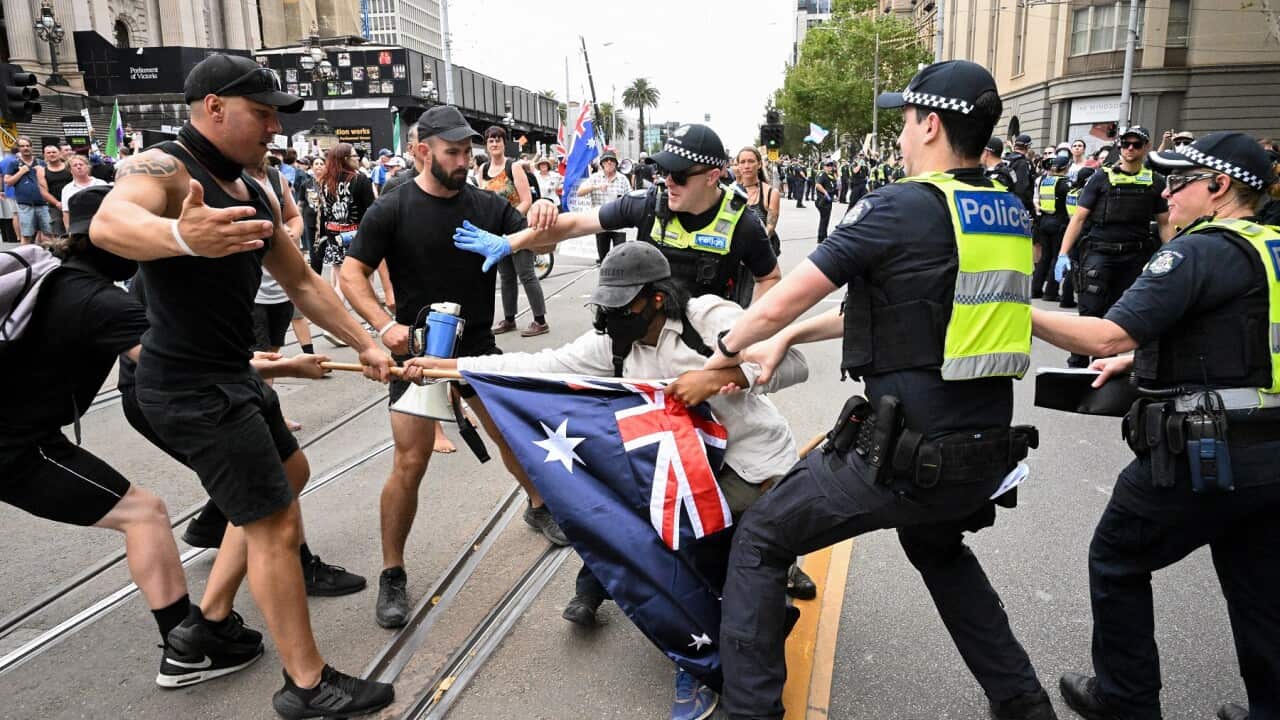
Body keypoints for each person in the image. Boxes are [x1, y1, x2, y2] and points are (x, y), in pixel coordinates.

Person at [700, 60, 1055, 720]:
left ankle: (749, 712)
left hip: (904, 456)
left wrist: (725, 352)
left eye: (905, 120)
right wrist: (791, 336)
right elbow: (913, 310)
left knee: (762, 539)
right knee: (938, 548)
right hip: (982, 453)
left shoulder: (898, 206)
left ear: (931, 124)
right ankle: (1024, 704)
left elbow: (786, 296)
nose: (900, 134)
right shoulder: (1004, 212)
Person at [89, 53, 396, 719]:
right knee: (274, 526)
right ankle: (307, 685)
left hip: (233, 376)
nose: (273, 129)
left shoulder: (251, 189)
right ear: (214, 107)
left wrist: (368, 342)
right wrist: (180, 235)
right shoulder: (166, 167)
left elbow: (304, 283)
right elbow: (109, 224)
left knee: (291, 472)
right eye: (261, 114)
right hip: (191, 388)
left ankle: (207, 623)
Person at [401, 242, 814, 720]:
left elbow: (793, 363)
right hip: (681, 467)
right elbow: (539, 366)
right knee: (650, 540)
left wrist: (725, 375)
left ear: (656, 298)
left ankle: (735, 634)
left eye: (622, 307)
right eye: (606, 307)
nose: (610, 318)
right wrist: (449, 368)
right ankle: (698, 642)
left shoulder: (707, 320)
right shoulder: (613, 342)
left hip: (748, 463)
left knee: (717, 557)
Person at [1030, 131, 1280, 720]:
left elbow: (1104, 334)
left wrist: (1014, 310)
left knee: (1117, 557)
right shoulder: (1270, 245)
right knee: (1259, 587)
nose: (1166, 193)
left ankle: (1125, 699)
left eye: (1179, 181)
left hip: (1207, 452)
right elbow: (1241, 332)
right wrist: (1139, 357)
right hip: (1271, 455)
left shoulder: (1197, 251)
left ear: (1218, 186)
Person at [337, 105, 570, 631]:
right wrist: (383, 325)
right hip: (416, 352)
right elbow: (351, 275)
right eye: (453, 152)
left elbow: (543, 243)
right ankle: (392, 572)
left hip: (478, 347)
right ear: (423, 151)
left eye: (468, 152)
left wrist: (544, 210)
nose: (464, 161)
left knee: (510, 434)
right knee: (410, 459)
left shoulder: (487, 205)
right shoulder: (392, 208)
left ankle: (538, 505)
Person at [0, 188, 230, 689]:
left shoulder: (47, 272)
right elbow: (181, 364)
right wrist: (277, 369)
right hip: (16, 447)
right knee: (143, 513)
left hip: (21, 433)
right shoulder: (103, 302)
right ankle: (186, 652)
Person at [457, 123, 781, 311]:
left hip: (706, 351)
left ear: (712, 176)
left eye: (680, 175)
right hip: (646, 340)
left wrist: (743, 331)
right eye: (664, 170)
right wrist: (509, 242)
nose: (668, 182)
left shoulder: (742, 223)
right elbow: (573, 224)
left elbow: (769, 278)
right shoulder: (647, 204)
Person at [1054, 126, 1172, 367]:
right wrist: (1063, 253)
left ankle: (1104, 367)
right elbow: (1078, 218)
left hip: (1135, 256)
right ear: (1120, 146)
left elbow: (1164, 223)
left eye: (1136, 144)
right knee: (1089, 313)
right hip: (1099, 253)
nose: (1130, 148)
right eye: (1126, 144)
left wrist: (1169, 256)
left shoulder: (1154, 181)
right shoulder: (1101, 177)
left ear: (1146, 147)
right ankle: (1077, 366)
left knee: (1119, 316)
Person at [481, 125, 549, 337]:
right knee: (506, 276)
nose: (494, 144)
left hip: (518, 228)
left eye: (498, 140)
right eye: (491, 140)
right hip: (497, 232)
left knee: (526, 274)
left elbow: (526, 200)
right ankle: (509, 319)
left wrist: (507, 219)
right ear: (486, 145)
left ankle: (540, 320)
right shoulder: (483, 170)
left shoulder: (514, 167)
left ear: (504, 143)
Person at [578, 149, 633, 264]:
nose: (609, 162)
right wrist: (596, 187)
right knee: (603, 259)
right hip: (601, 223)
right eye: (606, 160)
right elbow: (580, 192)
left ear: (616, 164)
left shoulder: (623, 179)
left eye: (612, 160)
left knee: (620, 258)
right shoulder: (595, 178)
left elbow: (630, 198)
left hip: (619, 224)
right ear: (602, 163)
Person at [1032, 154, 1071, 301]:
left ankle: (1035, 289)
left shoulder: (1044, 181)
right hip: (1059, 223)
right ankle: (1051, 292)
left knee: (1044, 258)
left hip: (1044, 221)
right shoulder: (1066, 184)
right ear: (1066, 167)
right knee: (1056, 257)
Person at [2, 136, 54, 244]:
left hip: (43, 204)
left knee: (49, 234)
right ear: (18, 148)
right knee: (26, 236)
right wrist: (21, 172)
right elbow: (8, 181)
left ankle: (50, 254)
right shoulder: (14, 163)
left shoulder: (41, 163)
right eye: (22, 146)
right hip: (25, 205)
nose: (25, 148)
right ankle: (25, 254)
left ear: (31, 147)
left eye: (27, 145)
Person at [734, 147, 781, 257]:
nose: (746, 166)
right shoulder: (731, 191)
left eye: (751, 161)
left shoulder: (771, 193)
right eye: (742, 162)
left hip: (761, 253)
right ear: (738, 166)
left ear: (759, 164)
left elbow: (769, 228)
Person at [60, 154, 108, 231]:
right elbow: (66, 212)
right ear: (70, 170)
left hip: (101, 225)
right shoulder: (67, 189)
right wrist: (68, 231)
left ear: (87, 167)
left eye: (81, 164)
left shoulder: (101, 183)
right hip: (79, 228)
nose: (79, 167)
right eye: (75, 165)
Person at [41, 142, 72, 237]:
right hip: (56, 206)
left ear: (59, 153)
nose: (51, 154)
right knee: (59, 234)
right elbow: (44, 192)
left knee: (76, 232)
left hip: (73, 203)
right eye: (48, 153)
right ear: (44, 155)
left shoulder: (69, 166)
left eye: (54, 152)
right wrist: (57, 203)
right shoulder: (42, 171)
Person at [1003, 133, 1036, 213]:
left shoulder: (1005, 159)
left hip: (1004, 200)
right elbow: (1021, 188)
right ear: (1028, 146)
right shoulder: (1023, 162)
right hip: (1017, 205)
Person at [815, 159, 837, 243]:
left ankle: (824, 235)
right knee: (824, 219)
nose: (829, 167)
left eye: (831, 165)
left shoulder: (830, 175)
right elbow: (818, 185)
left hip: (828, 200)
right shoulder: (822, 174)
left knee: (826, 219)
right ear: (824, 166)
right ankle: (821, 237)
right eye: (828, 165)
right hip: (823, 199)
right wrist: (825, 193)